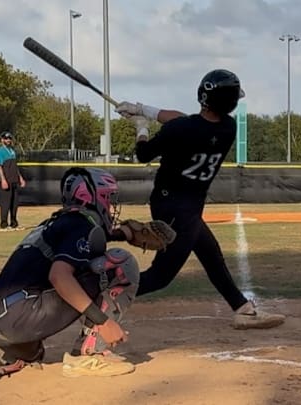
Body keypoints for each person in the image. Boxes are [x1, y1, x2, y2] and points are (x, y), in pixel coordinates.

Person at [0, 167, 151, 383]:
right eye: (108, 199)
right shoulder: (83, 226)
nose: (111, 208)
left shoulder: (54, 223)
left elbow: (91, 242)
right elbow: (60, 277)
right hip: (24, 315)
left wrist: (125, 233)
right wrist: (103, 322)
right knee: (121, 262)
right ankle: (90, 355)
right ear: (92, 198)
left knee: (33, 350)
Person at [114, 69, 285, 330]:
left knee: (211, 256)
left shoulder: (180, 129)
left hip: (173, 205)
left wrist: (142, 128)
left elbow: (143, 154)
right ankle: (102, 297)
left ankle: (243, 309)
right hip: (180, 210)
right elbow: (183, 121)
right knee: (161, 277)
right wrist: (143, 109)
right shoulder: (228, 127)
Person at [0, 131, 26, 231]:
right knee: (5, 203)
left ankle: (14, 223)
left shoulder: (12, 151)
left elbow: (15, 167)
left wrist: (20, 178)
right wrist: (3, 180)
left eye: (9, 138)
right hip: (5, 180)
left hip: (14, 180)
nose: (8, 140)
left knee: (14, 203)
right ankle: (3, 225)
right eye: (6, 139)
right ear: (2, 140)